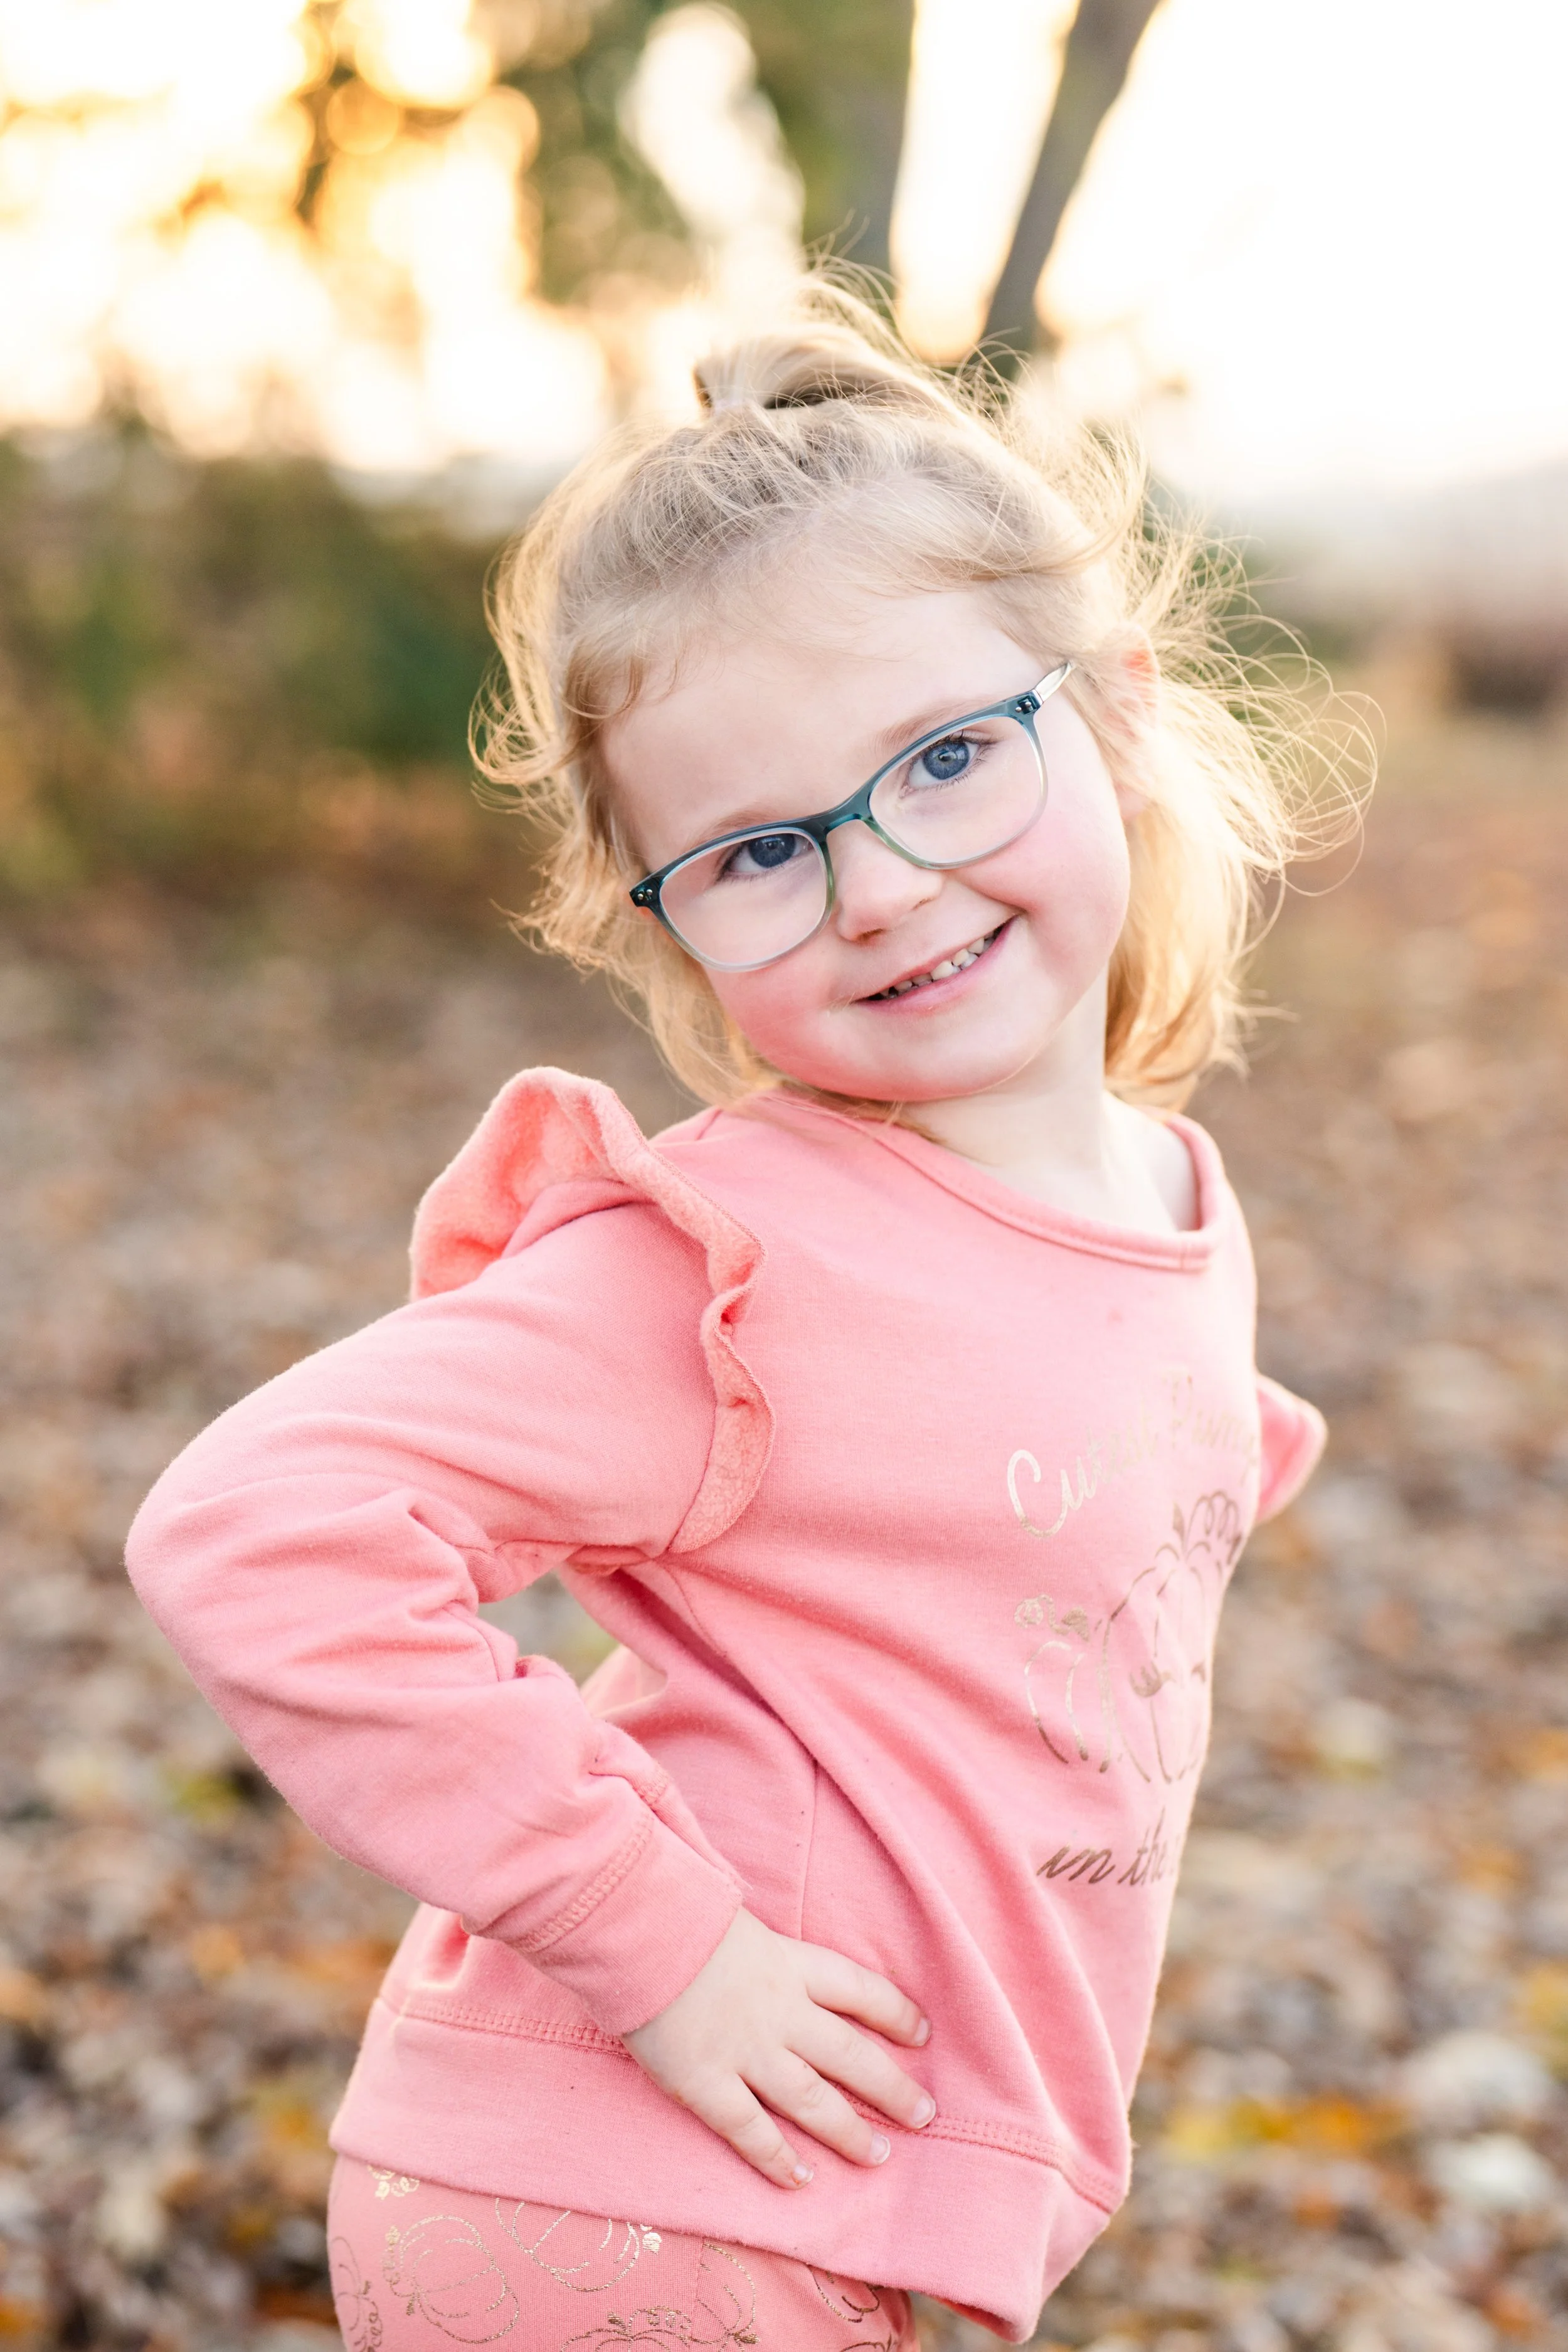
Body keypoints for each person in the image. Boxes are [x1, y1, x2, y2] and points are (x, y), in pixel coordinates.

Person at [127, 279, 1348, 2349]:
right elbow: (254, 1530)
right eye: (762, 850)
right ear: (660, 920)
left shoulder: (1162, 1199)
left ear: (1120, 711)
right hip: (634, 2207)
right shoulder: (721, 1266)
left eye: (947, 757)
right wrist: (659, 1938)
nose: (880, 886)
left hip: (844, 2194)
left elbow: (1083, 1448)